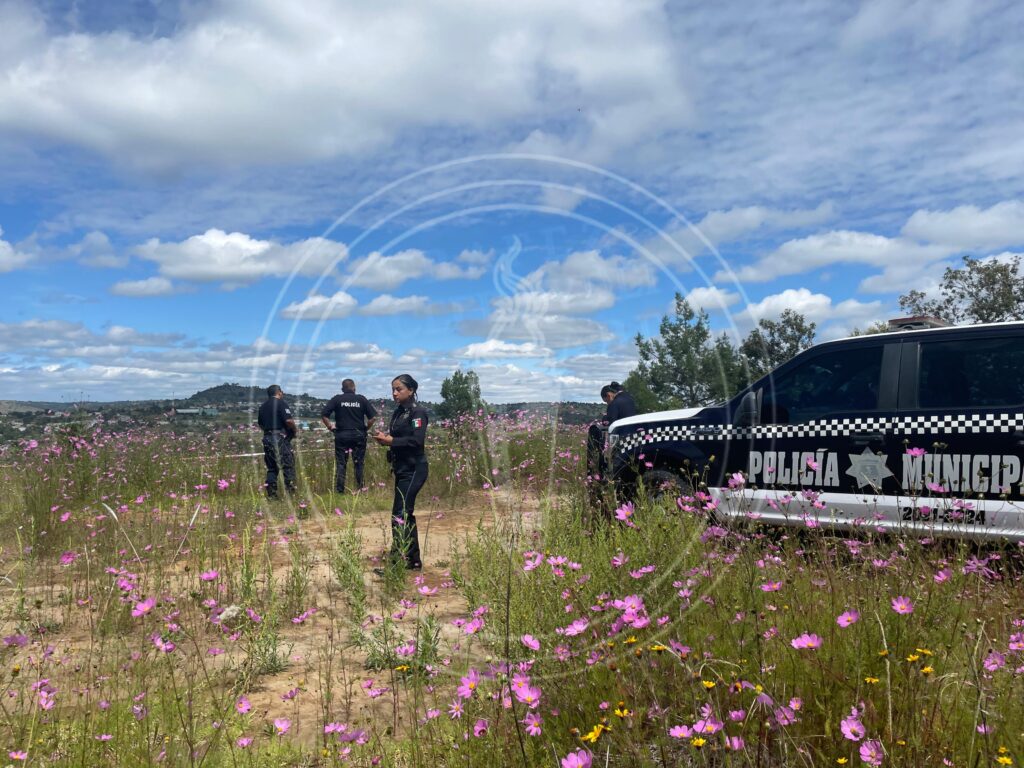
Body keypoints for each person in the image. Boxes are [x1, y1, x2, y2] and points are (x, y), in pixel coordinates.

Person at [372, 374, 428, 571]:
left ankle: (397, 562)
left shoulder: (418, 413)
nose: (394, 393)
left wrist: (392, 441)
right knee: (404, 514)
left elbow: (417, 441)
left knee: (400, 514)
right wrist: (385, 439)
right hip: (401, 468)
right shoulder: (398, 413)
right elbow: (397, 438)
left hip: (414, 469)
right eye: (393, 389)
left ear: (411, 390)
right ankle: (413, 560)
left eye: (399, 389)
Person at [320, 378, 377, 494]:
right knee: (359, 463)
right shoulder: (361, 399)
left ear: (342, 389)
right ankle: (360, 488)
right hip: (359, 435)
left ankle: (340, 491)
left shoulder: (337, 399)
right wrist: (365, 429)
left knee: (341, 463)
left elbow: (324, 415)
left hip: (342, 434)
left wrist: (330, 427)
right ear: (354, 388)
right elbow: (372, 418)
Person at [258, 384, 297, 499]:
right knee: (288, 466)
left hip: (267, 438)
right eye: (281, 392)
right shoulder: (281, 403)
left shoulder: (262, 407)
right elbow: (289, 421)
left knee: (272, 468)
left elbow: (261, 424)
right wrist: (294, 430)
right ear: (279, 392)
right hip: (279, 438)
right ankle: (291, 495)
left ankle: (272, 495)